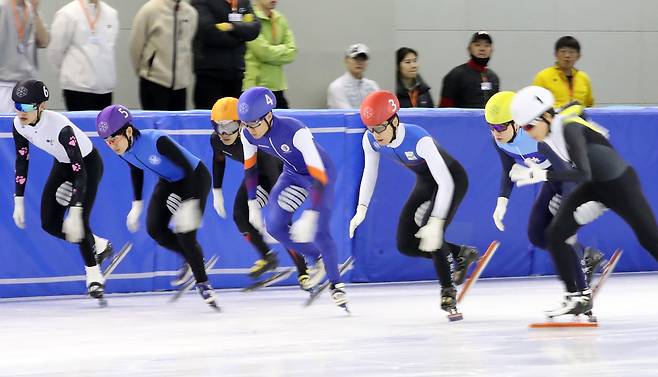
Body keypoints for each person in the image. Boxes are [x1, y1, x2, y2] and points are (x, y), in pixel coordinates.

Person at [509, 86, 658, 317]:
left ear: (547, 116)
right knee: (555, 234)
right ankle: (576, 298)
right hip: (595, 187)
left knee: (651, 241)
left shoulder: (568, 128)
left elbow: (583, 173)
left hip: (621, 186)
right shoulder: (547, 139)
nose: (527, 133)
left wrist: (542, 176)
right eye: (522, 128)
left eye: (529, 126)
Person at [349, 90, 478, 314]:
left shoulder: (419, 140)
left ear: (394, 120)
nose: (376, 134)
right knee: (406, 244)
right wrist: (361, 209)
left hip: (452, 180)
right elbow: (369, 173)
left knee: (432, 232)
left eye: (380, 127)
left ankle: (448, 291)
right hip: (426, 182)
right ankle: (459, 253)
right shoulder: (370, 139)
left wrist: (436, 222)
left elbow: (446, 183)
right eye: (371, 128)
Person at [95, 104, 218, 308]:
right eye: (106, 141)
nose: (112, 145)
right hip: (169, 181)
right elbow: (135, 169)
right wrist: (137, 206)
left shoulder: (156, 140)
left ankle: (203, 282)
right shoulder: (121, 148)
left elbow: (188, 168)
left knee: (185, 234)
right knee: (155, 229)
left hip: (195, 178)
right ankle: (190, 259)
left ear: (127, 131)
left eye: (114, 139)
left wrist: (187, 202)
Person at [237, 86, 346, 307]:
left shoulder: (296, 131)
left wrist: (312, 214)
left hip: (320, 175)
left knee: (319, 230)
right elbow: (250, 168)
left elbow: (318, 174)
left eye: (254, 123)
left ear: (268, 115)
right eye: (245, 123)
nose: (251, 129)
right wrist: (252, 204)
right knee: (275, 226)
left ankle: (336, 284)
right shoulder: (247, 133)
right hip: (293, 175)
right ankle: (317, 258)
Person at [484, 91, 605, 291]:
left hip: (570, 179)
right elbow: (508, 170)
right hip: (551, 180)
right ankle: (586, 256)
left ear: (516, 123)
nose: (495, 132)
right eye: (490, 127)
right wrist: (502, 202)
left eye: (500, 126)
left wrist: (568, 208)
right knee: (537, 235)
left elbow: (567, 171)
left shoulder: (538, 138)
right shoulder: (498, 140)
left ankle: (580, 290)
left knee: (560, 232)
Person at [11, 79, 113, 301]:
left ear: (42, 106)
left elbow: (80, 171)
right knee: (49, 223)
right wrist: (18, 199)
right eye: (17, 106)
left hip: (87, 165)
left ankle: (94, 275)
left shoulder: (61, 128)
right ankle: (98, 244)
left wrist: (76, 208)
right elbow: (22, 161)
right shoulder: (19, 125)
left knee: (80, 222)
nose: (21, 112)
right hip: (62, 165)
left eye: (27, 106)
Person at [209, 97, 311, 286]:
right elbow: (218, 160)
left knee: (280, 224)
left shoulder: (253, 138)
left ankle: (303, 270)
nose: (224, 133)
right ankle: (267, 256)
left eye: (230, 127)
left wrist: (274, 205)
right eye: (219, 127)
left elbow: (272, 171)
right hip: (255, 175)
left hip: (279, 174)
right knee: (240, 216)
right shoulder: (216, 140)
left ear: (241, 124)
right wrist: (217, 191)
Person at [48, 0, 119, 111]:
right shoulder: (68, 13)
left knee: (103, 127)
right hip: (77, 89)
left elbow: (109, 49)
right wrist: (69, 77)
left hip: (105, 89)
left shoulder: (111, 13)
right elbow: (55, 51)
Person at [129, 0, 198, 110]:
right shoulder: (150, 9)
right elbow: (136, 45)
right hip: (154, 81)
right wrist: (144, 70)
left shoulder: (191, 13)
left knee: (177, 126)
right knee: (154, 125)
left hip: (180, 85)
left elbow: (189, 43)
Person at [190, 0, 260, 109]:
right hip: (210, 73)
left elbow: (254, 29)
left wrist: (231, 27)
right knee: (210, 118)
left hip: (237, 72)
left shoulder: (243, 2)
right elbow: (208, 32)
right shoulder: (202, 2)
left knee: (235, 119)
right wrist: (241, 37)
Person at [242, 0, 296, 108]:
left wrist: (273, 50)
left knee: (284, 121)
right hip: (254, 87)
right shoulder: (248, 18)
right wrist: (283, 48)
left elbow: (292, 52)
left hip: (277, 86)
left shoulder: (280, 18)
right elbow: (263, 52)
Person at [0, 0, 49, 113]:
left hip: (30, 84)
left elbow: (44, 41)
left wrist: (35, 12)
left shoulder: (30, 9)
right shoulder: (2, 7)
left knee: (30, 128)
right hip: (5, 84)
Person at [439, 31, 499, 108]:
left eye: (487, 45)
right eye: (477, 45)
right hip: (462, 119)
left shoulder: (493, 77)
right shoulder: (456, 75)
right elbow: (445, 109)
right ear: (469, 49)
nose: (482, 49)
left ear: (491, 50)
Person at [533, 36, 594, 108]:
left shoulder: (584, 78)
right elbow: (535, 103)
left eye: (571, 52)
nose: (567, 55)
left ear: (578, 56)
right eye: (563, 51)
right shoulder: (543, 77)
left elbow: (589, 104)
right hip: (553, 118)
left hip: (579, 118)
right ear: (556, 54)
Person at [327, 43, 380, 109]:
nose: (359, 62)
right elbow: (347, 115)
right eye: (355, 58)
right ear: (346, 60)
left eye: (363, 59)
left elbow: (379, 111)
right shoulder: (337, 87)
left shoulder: (373, 86)